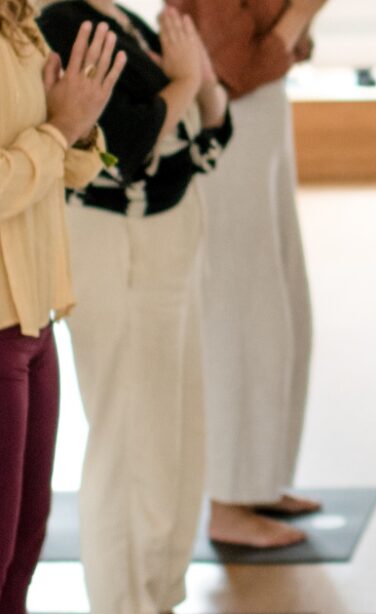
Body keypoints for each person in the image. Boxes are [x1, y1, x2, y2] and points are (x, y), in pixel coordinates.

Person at [37, 2, 230, 612]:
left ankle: (163, 593)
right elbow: (127, 150)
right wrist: (186, 84)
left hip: (168, 236)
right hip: (113, 245)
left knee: (177, 430)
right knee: (126, 437)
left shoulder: (116, 11)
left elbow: (213, 130)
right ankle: (124, 603)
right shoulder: (60, 21)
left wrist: (198, 88)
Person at [167, 0, 327, 548]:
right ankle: (228, 505)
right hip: (226, 124)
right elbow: (231, 67)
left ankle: (260, 481)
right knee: (243, 314)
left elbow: (280, 50)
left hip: (264, 118)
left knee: (285, 307)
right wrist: (301, 12)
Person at [0, 8, 123, 612]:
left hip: (35, 317)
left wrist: (76, 125)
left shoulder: (19, 23)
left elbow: (63, 169)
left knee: (23, 556)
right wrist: (57, 131)